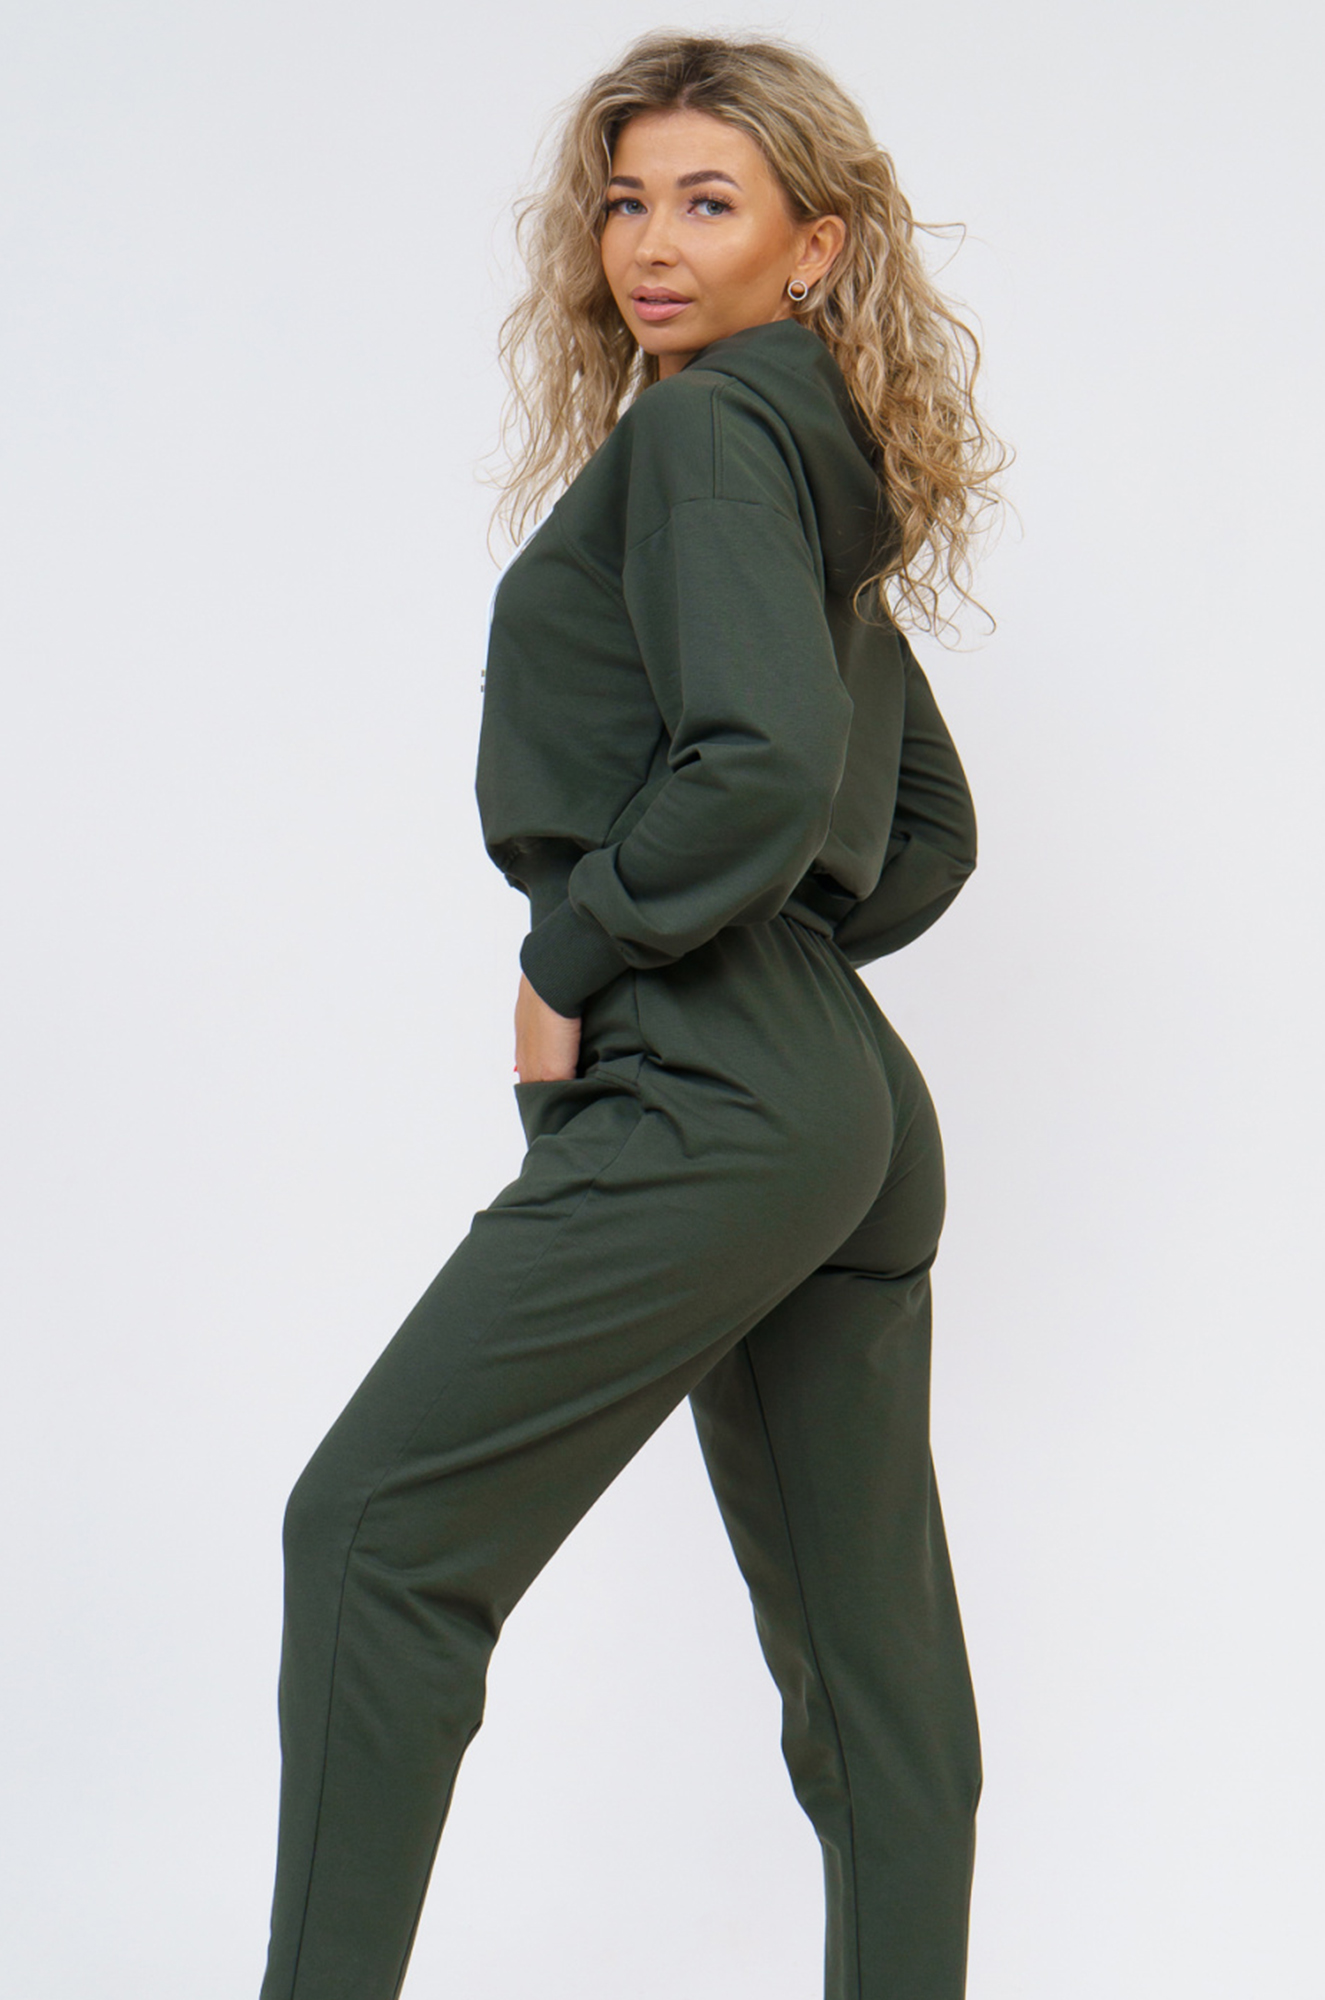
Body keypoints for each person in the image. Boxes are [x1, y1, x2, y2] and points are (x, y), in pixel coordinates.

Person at [257, 29, 1006, 2000]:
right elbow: (924, 833)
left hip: (714, 1079)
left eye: (708, 202)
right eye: (623, 201)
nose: (650, 244)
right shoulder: (815, 475)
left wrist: (575, 956)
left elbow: (759, 769)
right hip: (842, 1106)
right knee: (871, 1676)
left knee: (374, 1537)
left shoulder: (700, 442)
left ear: (813, 245)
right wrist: (793, 971)